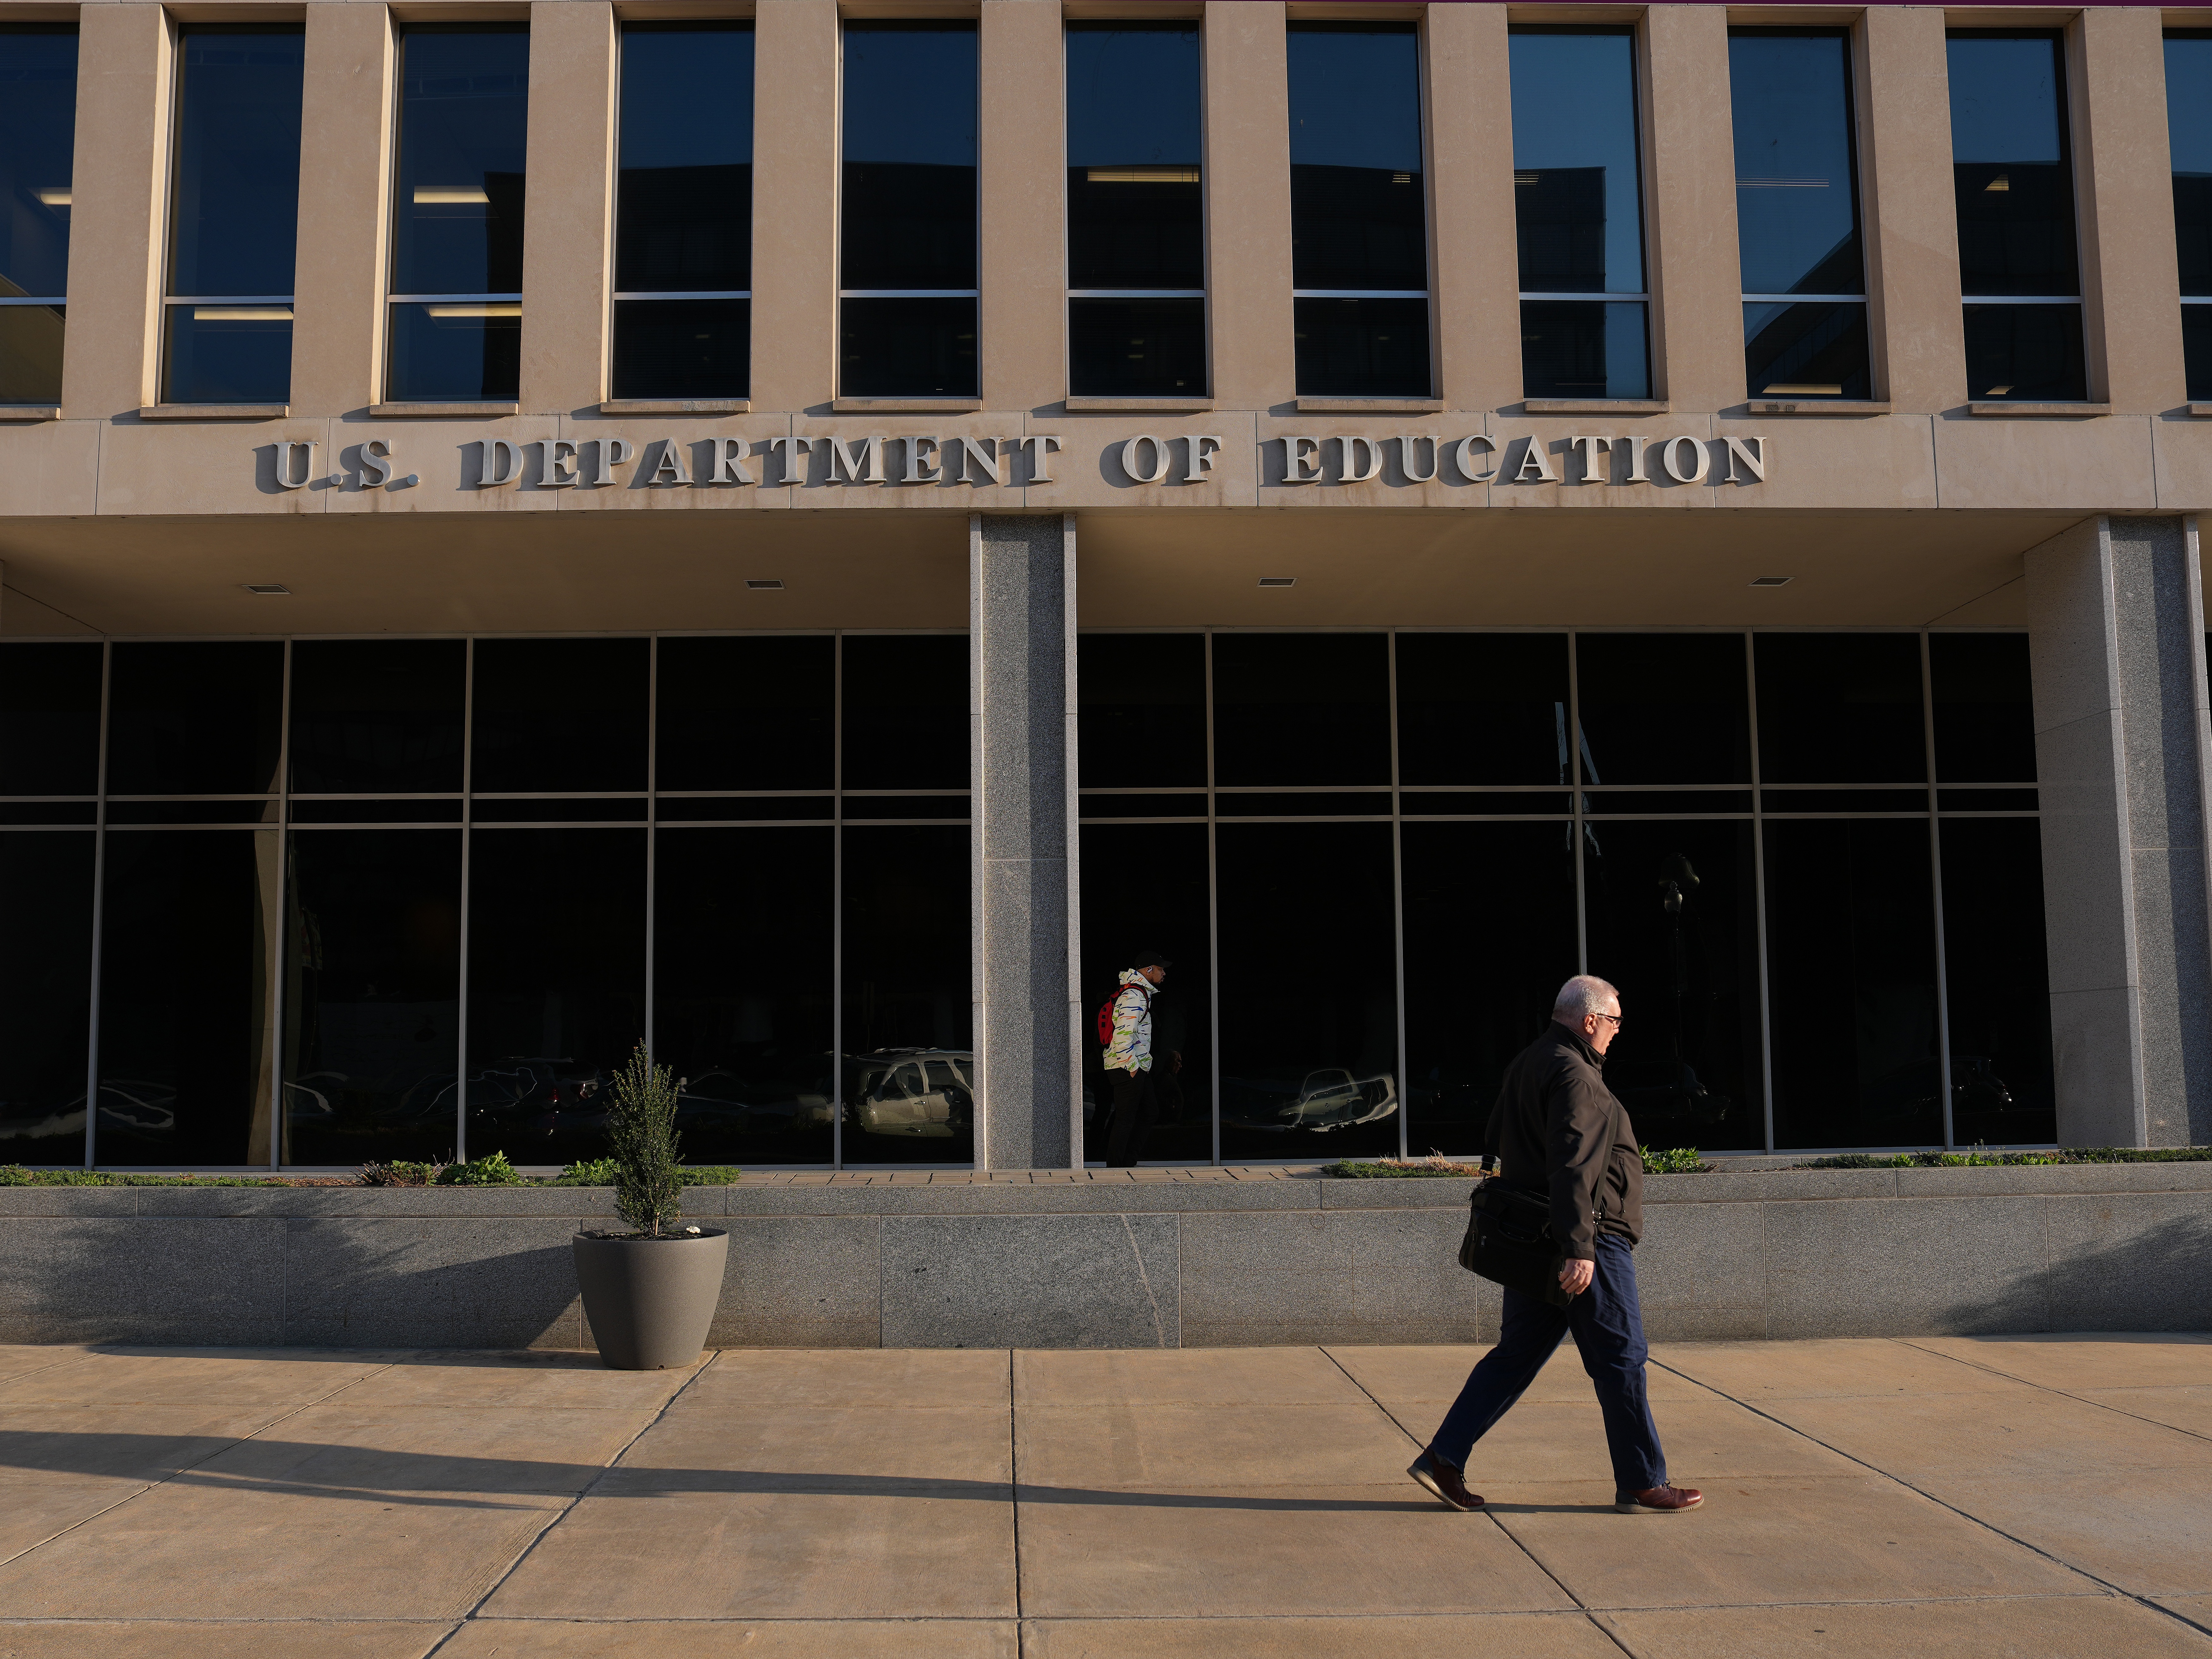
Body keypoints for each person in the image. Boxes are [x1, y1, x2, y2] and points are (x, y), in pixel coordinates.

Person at [1407, 974, 1704, 1517]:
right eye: (1613, 1021)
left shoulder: (1531, 1061)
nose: (1616, 1031)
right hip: (1585, 1240)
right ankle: (1642, 1482)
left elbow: (1499, 1136)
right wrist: (1579, 1248)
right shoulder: (1576, 1074)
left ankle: (1442, 1459)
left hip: (1538, 1240)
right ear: (1589, 1020)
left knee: (1515, 1356)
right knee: (1621, 1357)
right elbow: (1572, 1165)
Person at [1100, 950, 1170, 1167]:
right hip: (1126, 1065)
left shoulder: (1139, 993)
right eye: (1160, 969)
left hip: (1136, 1065)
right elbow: (1123, 1035)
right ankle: (1115, 1168)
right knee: (1126, 1118)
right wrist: (1132, 1066)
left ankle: (1127, 1163)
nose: (1164, 973)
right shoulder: (1133, 996)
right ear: (1148, 970)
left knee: (1149, 1111)